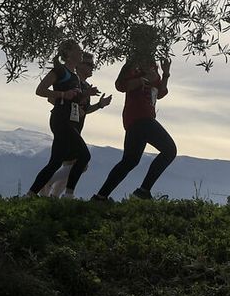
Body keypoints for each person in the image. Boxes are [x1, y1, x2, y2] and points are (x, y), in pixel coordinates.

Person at [91, 25, 176, 202]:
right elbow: (120, 85)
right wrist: (142, 80)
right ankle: (143, 191)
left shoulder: (151, 64)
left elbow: (160, 92)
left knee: (130, 160)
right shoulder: (134, 62)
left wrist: (165, 74)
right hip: (140, 115)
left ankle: (100, 197)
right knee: (169, 150)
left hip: (141, 116)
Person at [28, 39, 100, 199]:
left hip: (70, 120)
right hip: (61, 119)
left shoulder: (74, 76)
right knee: (84, 156)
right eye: (78, 50)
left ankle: (31, 194)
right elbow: (40, 90)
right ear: (68, 54)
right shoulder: (60, 71)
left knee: (55, 163)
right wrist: (62, 94)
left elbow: (75, 100)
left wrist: (86, 96)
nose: (81, 52)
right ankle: (68, 195)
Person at [38, 52, 111, 196]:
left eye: (93, 64)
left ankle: (52, 195)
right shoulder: (72, 82)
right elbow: (53, 99)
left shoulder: (84, 85)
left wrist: (99, 105)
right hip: (65, 125)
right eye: (89, 64)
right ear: (80, 65)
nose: (92, 67)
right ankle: (49, 186)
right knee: (79, 162)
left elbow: (84, 110)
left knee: (69, 164)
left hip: (75, 127)